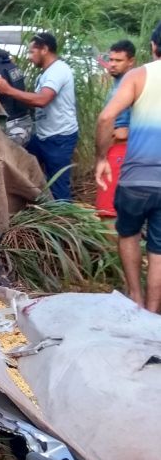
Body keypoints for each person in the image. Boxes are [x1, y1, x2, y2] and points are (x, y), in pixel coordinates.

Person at [95, 23, 161, 312]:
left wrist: (101, 159)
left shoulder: (138, 75)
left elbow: (105, 117)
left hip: (136, 178)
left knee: (129, 234)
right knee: (159, 251)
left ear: (153, 46)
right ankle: (153, 313)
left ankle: (135, 298)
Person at [0, 32, 78, 200]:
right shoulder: (45, 73)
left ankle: (63, 213)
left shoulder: (57, 71)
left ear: (44, 49)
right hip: (43, 136)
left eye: (32, 52)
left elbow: (42, 100)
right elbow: (34, 101)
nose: (29, 57)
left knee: (59, 185)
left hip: (59, 138)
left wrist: (8, 90)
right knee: (23, 162)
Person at [95, 39, 136, 217]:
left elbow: (123, 127)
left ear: (131, 61)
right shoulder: (119, 83)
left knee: (107, 209)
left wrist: (118, 136)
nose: (112, 64)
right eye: (111, 59)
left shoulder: (131, 84)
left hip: (120, 149)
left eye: (118, 61)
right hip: (113, 148)